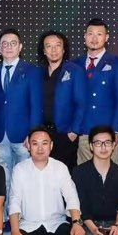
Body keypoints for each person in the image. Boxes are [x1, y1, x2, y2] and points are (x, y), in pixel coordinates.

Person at [0, 28, 43, 202]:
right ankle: (7, 214)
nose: (9, 47)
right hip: (0, 136)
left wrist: (33, 134)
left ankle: (23, 213)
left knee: (24, 178)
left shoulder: (31, 71)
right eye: (5, 44)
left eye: (13, 43)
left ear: (20, 47)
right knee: (3, 178)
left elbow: (36, 106)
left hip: (23, 136)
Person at [72, 19, 118, 165]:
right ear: (84, 36)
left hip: (107, 131)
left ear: (106, 37)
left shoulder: (117, 63)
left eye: (99, 34)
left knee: (111, 173)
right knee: (84, 173)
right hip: (83, 130)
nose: (94, 38)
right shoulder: (75, 64)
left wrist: (116, 129)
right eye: (90, 34)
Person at [39, 30, 85, 171]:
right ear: (44, 51)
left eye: (57, 45)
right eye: (49, 46)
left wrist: (74, 131)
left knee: (65, 175)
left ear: (64, 49)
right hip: (43, 134)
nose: (53, 50)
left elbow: (81, 103)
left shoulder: (75, 70)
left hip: (65, 134)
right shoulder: (38, 72)